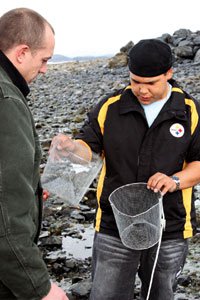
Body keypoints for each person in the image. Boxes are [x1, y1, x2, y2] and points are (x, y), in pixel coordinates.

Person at [51, 39, 200, 300]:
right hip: (114, 226)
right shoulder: (110, 107)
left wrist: (174, 180)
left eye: (151, 83)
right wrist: (71, 148)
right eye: (135, 81)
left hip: (170, 227)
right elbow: (89, 148)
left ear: (169, 74)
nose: (141, 90)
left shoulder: (189, 111)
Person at [0, 8, 68, 300]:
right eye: (44, 60)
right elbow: (5, 214)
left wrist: (30, 184)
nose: (44, 69)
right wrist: (39, 287)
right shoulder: (7, 100)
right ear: (22, 52)